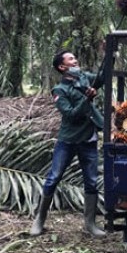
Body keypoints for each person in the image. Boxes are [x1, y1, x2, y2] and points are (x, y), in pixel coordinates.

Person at [30, 50, 106, 237]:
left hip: (88, 138)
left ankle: (90, 224)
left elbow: (102, 78)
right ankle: (39, 219)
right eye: (71, 58)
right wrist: (87, 99)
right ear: (62, 67)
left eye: (75, 57)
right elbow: (71, 114)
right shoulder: (59, 90)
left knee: (92, 181)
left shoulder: (85, 78)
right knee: (54, 177)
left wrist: (108, 53)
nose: (76, 59)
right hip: (68, 140)